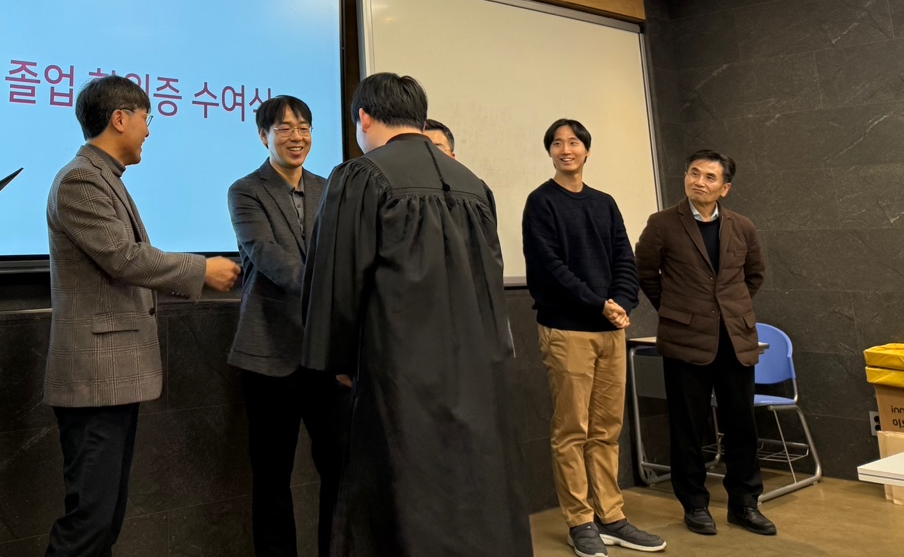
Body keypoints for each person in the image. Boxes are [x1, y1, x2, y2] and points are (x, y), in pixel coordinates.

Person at [301, 73, 530, 557]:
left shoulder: (361, 175)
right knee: (473, 485)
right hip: (477, 369)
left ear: (364, 118)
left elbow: (339, 278)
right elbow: (490, 281)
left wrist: (337, 360)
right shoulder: (474, 185)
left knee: (403, 491)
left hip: (399, 372)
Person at [43, 75, 240, 557]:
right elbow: (124, 257)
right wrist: (201, 269)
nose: (149, 131)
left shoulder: (104, 176)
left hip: (112, 376)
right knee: (89, 523)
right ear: (120, 118)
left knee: (104, 520)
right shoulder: (81, 179)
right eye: (147, 119)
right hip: (96, 378)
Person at [522, 120, 664, 556]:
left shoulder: (604, 203)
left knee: (606, 430)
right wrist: (599, 303)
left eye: (574, 142)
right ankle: (580, 522)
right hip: (567, 330)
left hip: (610, 331)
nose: (566, 149)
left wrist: (623, 302)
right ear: (550, 152)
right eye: (557, 143)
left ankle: (612, 516)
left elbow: (624, 257)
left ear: (587, 150)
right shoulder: (541, 202)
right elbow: (550, 268)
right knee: (572, 430)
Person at [227, 95, 347, 557]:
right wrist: (330, 287)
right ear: (264, 136)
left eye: (304, 128)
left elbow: (345, 253)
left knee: (340, 469)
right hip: (269, 354)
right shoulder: (245, 190)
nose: (297, 137)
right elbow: (267, 254)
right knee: (272, 478)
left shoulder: (329, 188)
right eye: (284, 128)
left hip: (326, 355)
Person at [635, 150, 772, 538]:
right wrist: (676, 310)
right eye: (694, 173)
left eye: (710, 177)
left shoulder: (743, 226)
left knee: (742, 426)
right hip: (685, 340)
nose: (699, 181)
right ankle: (694, 504)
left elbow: (754, 275)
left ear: (725, 188)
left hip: (735, 340)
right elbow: (645, 273)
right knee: (688, 428)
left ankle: (744, 504)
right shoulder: (662, 223)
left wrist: (729, 310)